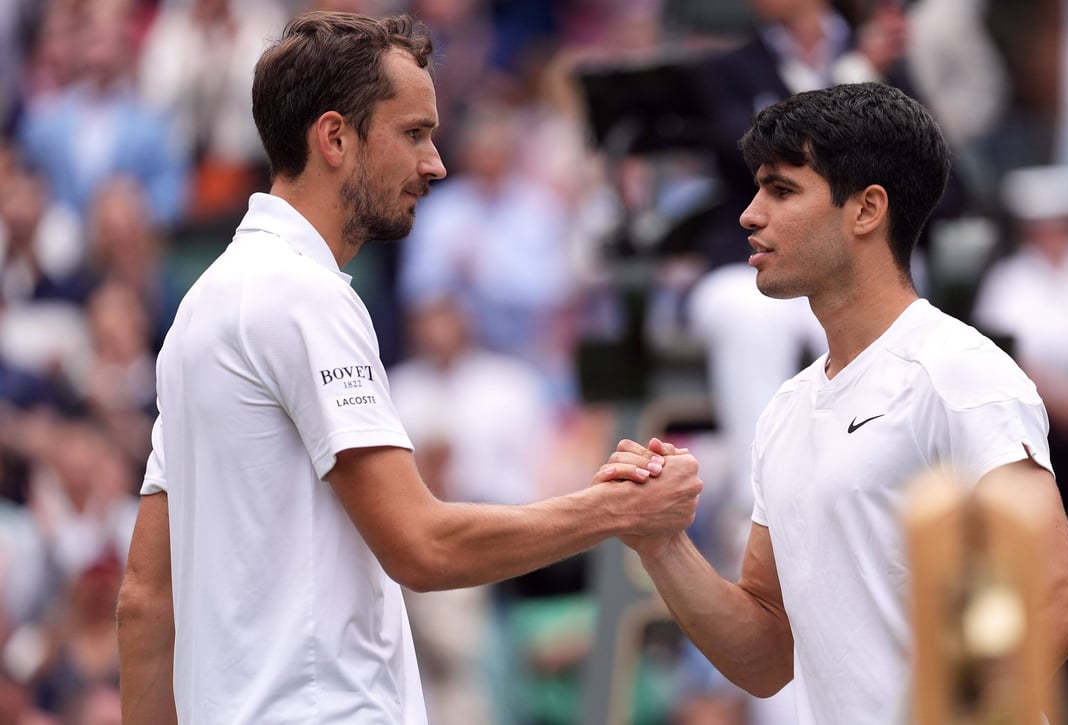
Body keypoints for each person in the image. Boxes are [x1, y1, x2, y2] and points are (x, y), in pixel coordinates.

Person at [114, 12, 703, 725]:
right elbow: (421, 545)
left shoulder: (200, 310)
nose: (436, 164)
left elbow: (145, 599)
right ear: (335, 138)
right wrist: (615, 508)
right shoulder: (305, 296)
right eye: (414, 133)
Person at [609, 82, 1068, 724]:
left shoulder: (960, 371)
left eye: (781, 191)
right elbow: (766, 657)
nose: (749, 215)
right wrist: (663, 546)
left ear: (866, 210)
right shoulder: (784, 411)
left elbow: (1057, 601)